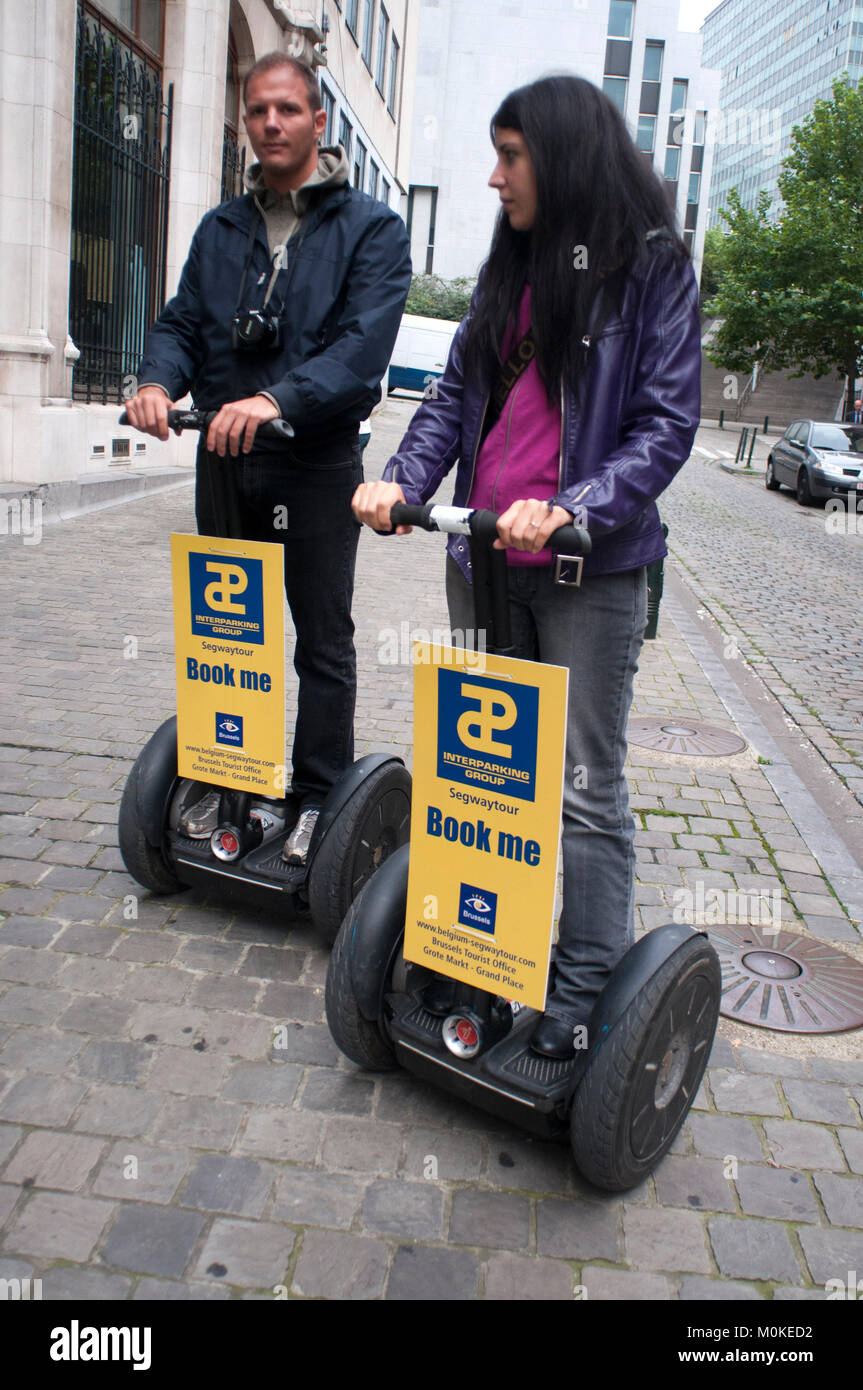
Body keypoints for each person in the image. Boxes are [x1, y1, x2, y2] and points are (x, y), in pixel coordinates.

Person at [352, 75, 701, 1057]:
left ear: (562, 156)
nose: (494, 175)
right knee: (483, 774)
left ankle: (583, 987)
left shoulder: (650, 269)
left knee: (585, 784)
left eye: (511, 156)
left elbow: (666, 424)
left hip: (587, 573)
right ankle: (478, 948)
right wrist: (398, 481)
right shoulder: (507, 262)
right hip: (481, 558)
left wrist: (573, 509)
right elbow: (448, 401)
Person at [125, 53, 412, 862]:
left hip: (315, 465)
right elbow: (184, 323)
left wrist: (277, 400)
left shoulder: (372, 230)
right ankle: (235, 783)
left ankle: (320, 798)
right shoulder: (221, 228)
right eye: (257, 112)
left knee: (321, 641)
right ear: (246, 121)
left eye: (288, 110)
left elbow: (362, 349)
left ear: (319, 123)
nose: (271, 124)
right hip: (226, 461)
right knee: (228, 634)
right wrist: (155, 379)